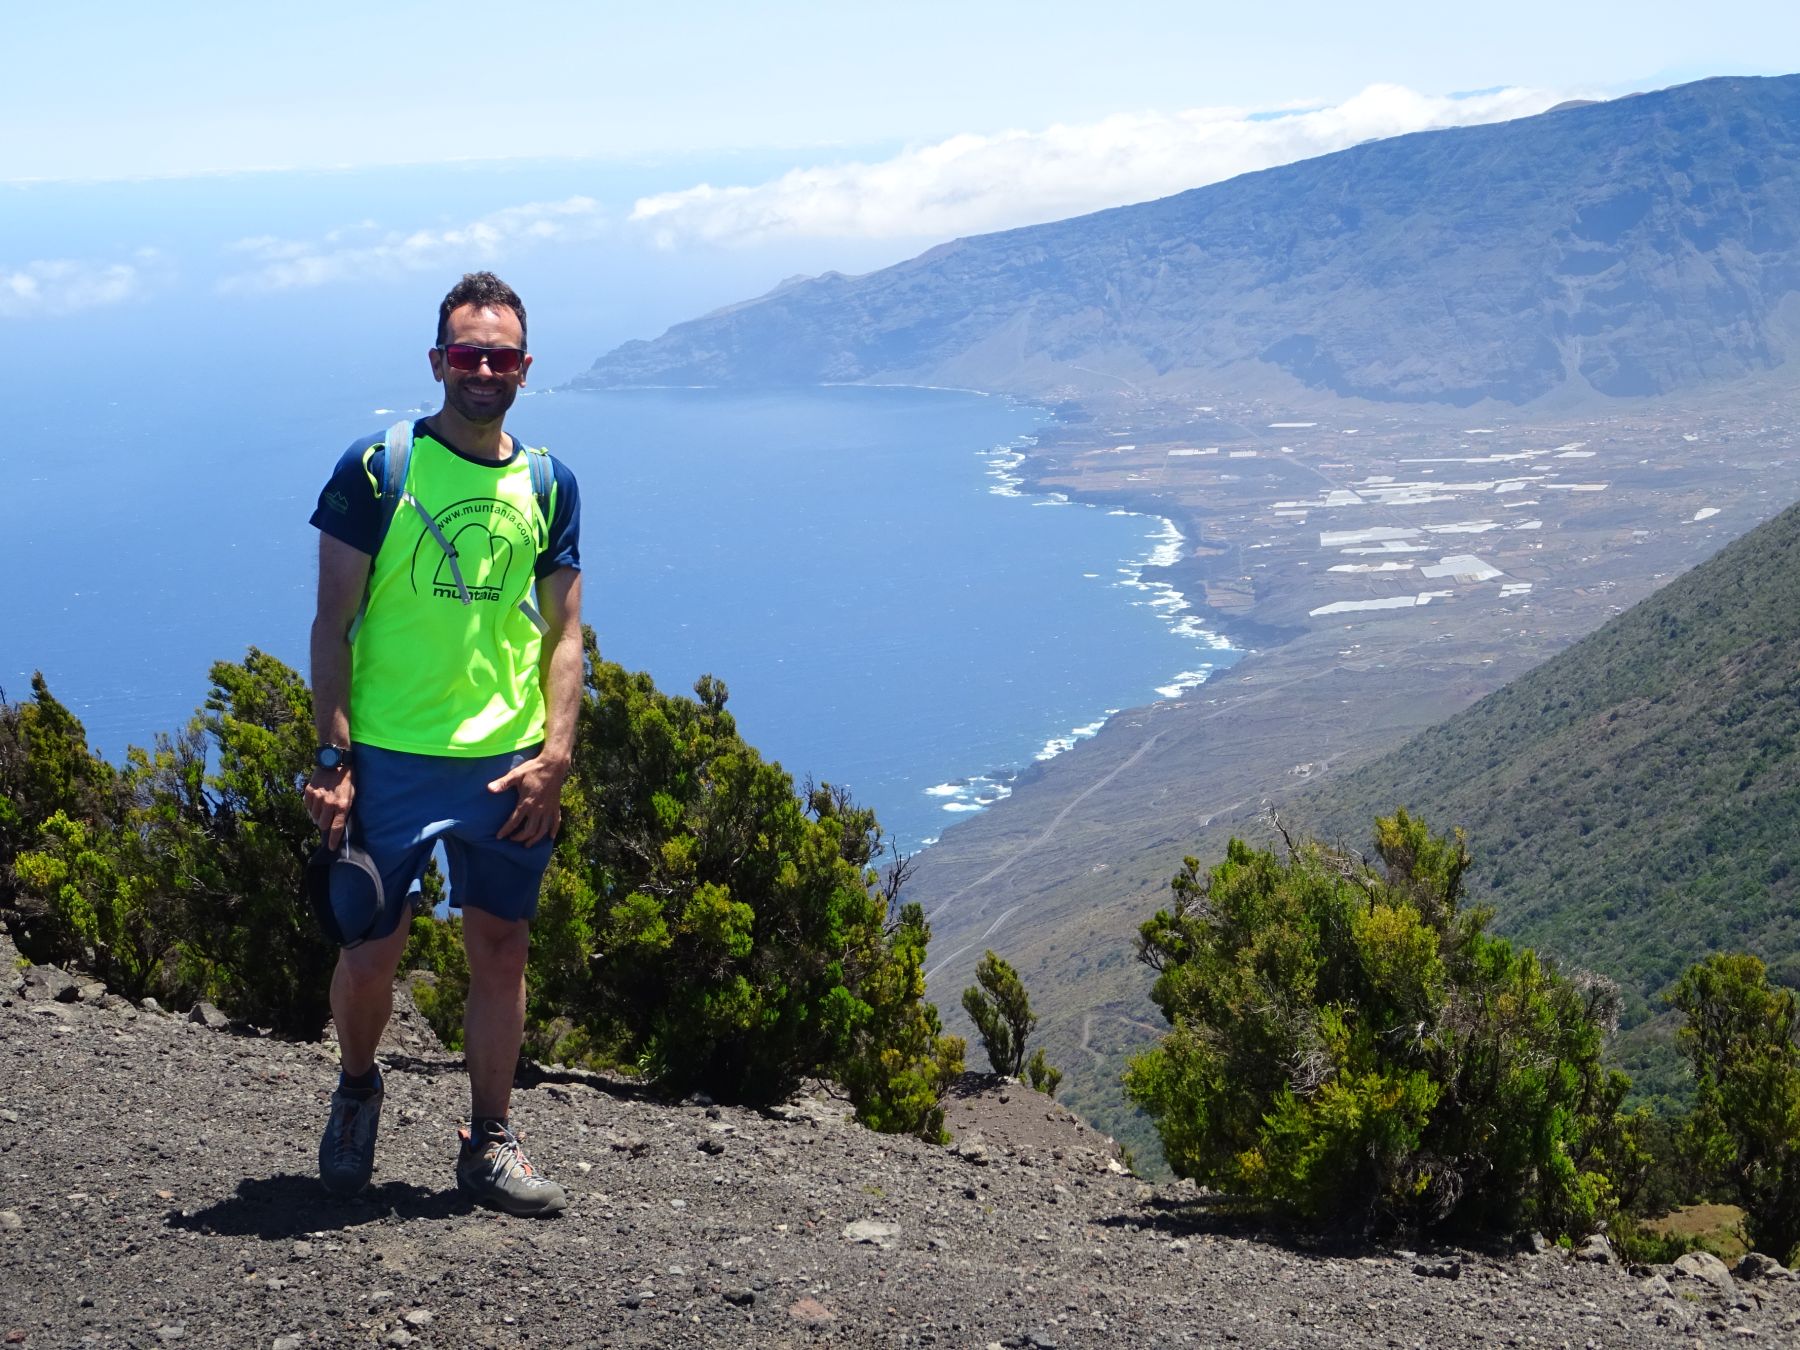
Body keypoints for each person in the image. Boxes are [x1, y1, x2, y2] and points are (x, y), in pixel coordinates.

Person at [303, 272, 583, 1217]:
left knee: (501, 950)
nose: (484, 371)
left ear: (525, 368)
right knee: (371, 952)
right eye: (467, 354)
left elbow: (566, 634)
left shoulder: (549, 483)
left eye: (501, 357)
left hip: (507, 762)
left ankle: (489, 1139)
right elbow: (332, 623)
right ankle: (356, 1089)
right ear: (437, 361)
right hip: (391, 756)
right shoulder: (376, 468)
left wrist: (555, 756)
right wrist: (334, 758)